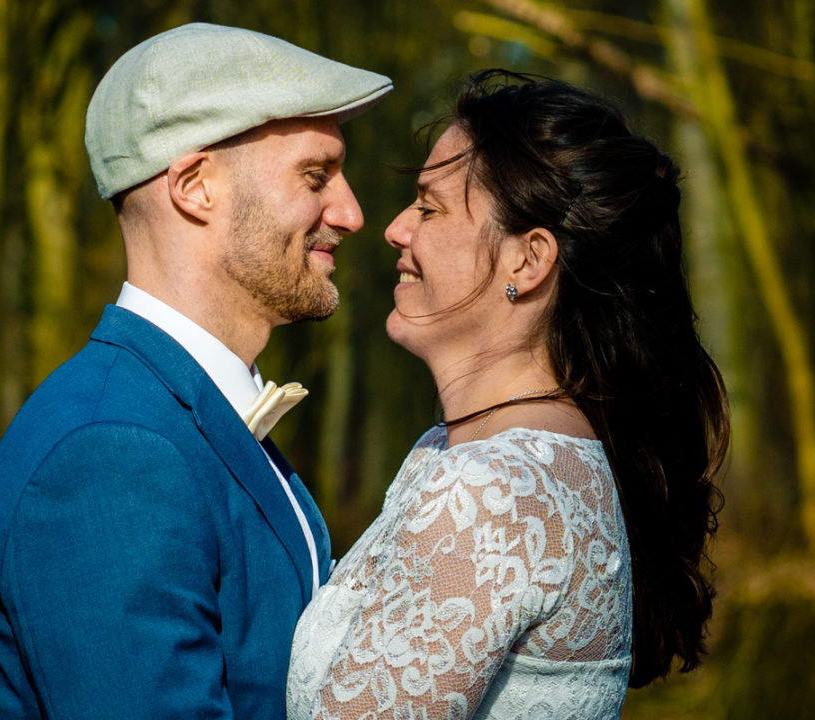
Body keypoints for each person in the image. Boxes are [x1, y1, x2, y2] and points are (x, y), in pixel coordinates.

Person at [0, 23, 391, 719]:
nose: (352, 213)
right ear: (195, 187)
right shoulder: (112, 453)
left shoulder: (182, 412)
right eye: (316, 176)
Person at [287, 70, 729, 719]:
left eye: (430, 207)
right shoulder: (478, 452)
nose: (395, 229)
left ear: (528, 262)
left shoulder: (494, 490)